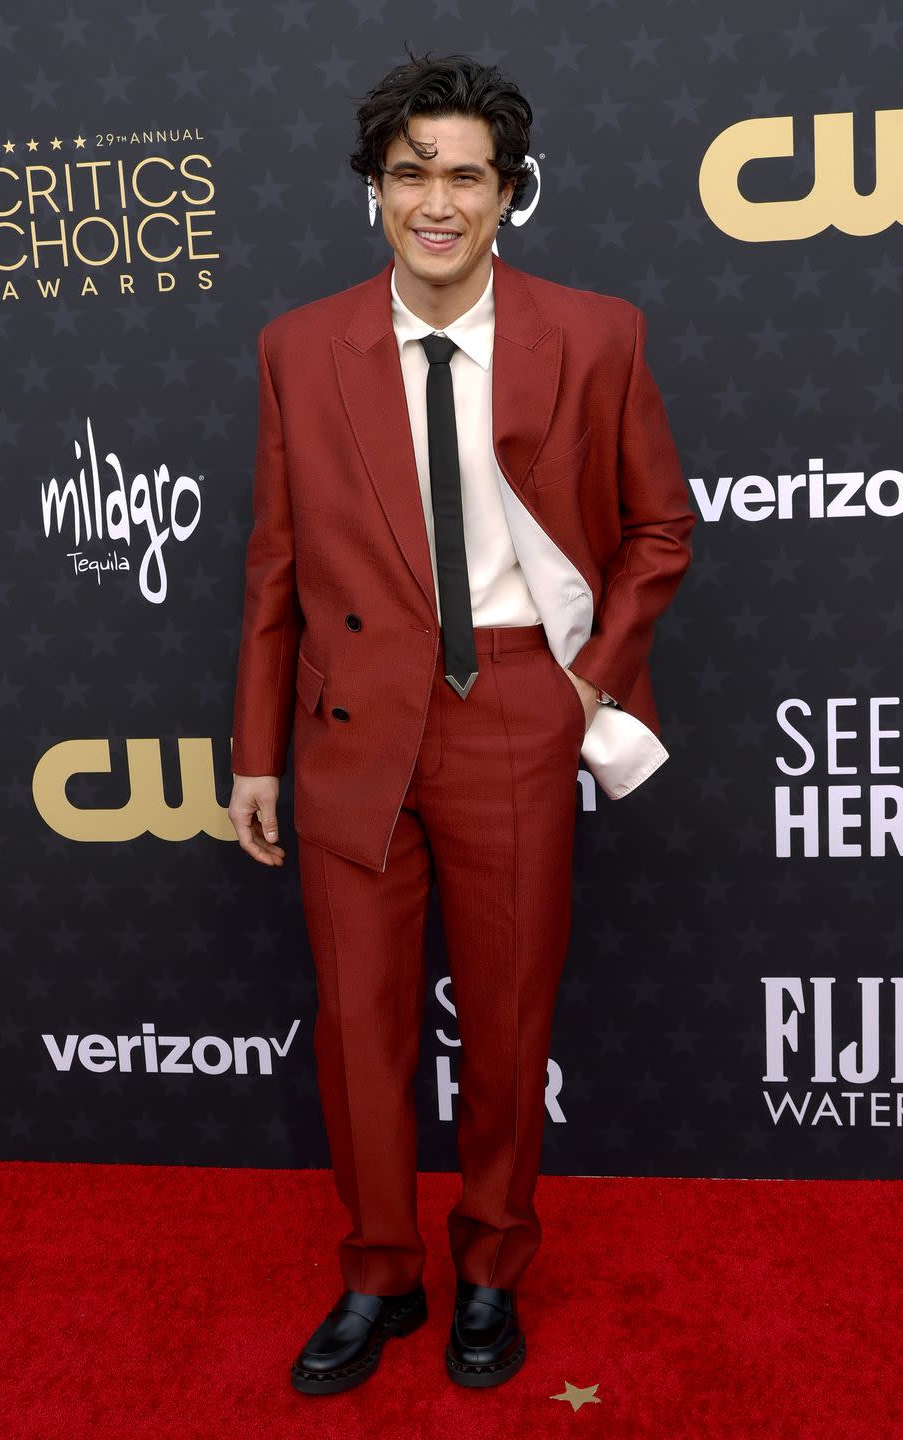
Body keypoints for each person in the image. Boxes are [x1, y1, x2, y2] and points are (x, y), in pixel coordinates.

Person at [228, 48, 695, 1395]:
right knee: (361, 1026)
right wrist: (257, 751)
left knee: (507, 1021)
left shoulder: (596, 334)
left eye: (467, 176)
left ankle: (492, 1266)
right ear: (374, 188)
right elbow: (272, 567)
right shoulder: (298, 348)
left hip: (515, 714)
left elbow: (662, 526)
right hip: (351, 726)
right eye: (411, 172)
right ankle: (380, 1274)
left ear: (510, 193)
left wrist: (591, 680)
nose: (438, 200)